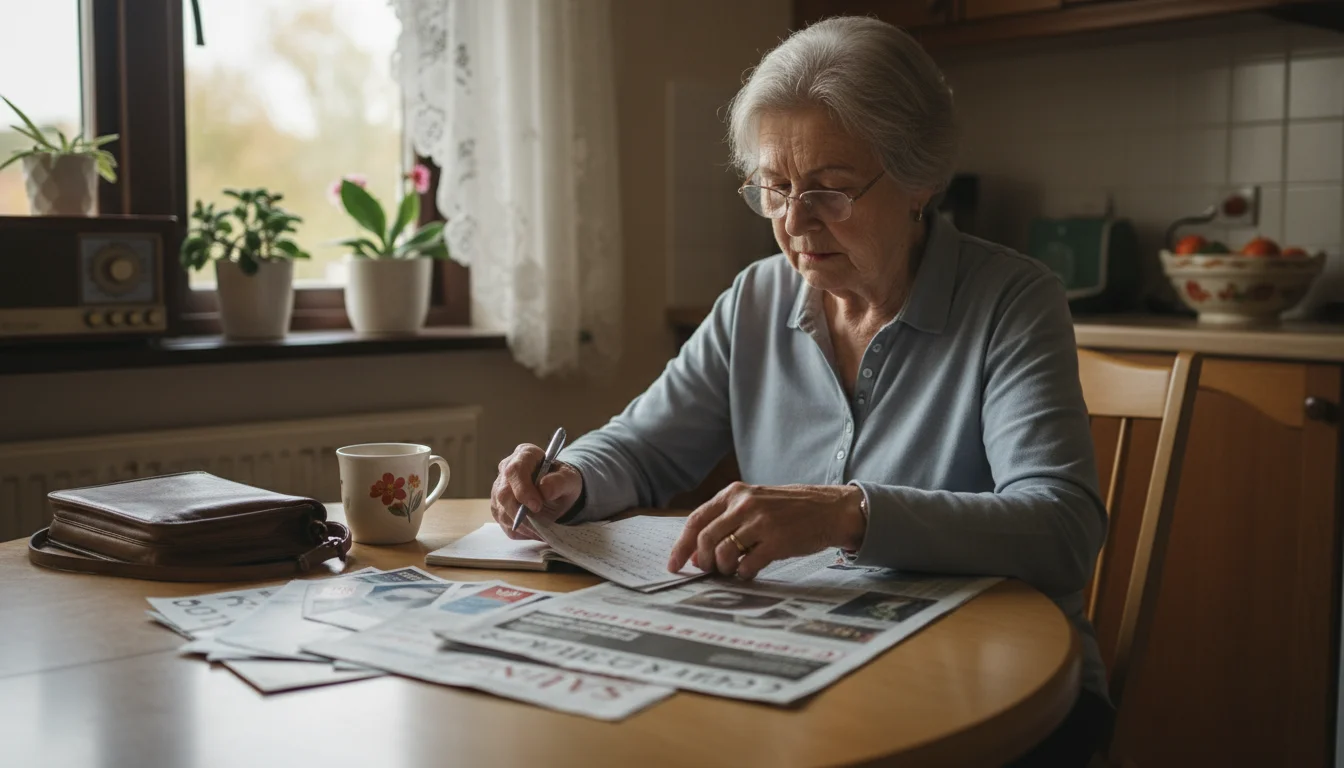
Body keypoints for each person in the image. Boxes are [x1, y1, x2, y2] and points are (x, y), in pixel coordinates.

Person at [489, 15, 1111, 766]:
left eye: (830, 191)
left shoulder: (1012, 301)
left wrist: (850, 514)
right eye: (775, 189)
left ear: (921, 180)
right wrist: (571, 477)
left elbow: (1061, 529)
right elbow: (644, 446)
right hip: (804, 666)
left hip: (993, 686)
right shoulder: (755, 299)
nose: (794, 223)